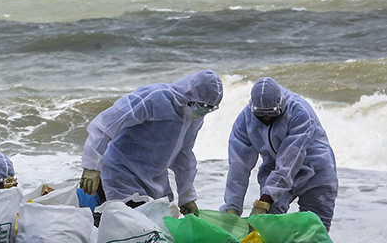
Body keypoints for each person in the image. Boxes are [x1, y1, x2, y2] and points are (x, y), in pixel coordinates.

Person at [79, 69, 223, 214]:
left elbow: (183, 154)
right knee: (128, 225)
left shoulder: (193, 117)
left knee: (160, 228)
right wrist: (92, 166)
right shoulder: (155, 97)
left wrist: (187, 196)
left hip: (156, 182)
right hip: (123, 175)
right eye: (202, 105)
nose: (203, 111)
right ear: (191, 94)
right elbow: (105, 124)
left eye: (210, 108)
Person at [220, 77, 338, 230]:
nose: (267, 118)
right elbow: (238, 166)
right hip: (275, 170)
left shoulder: (300, 112)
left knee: (315, 229)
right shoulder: (245, 120)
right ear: (253, 108)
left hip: (316, 170)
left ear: (282, 105)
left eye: (272, 113)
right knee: (265, 228)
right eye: (261, 114)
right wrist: (232, 206)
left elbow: (290, 159)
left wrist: (266, 199)